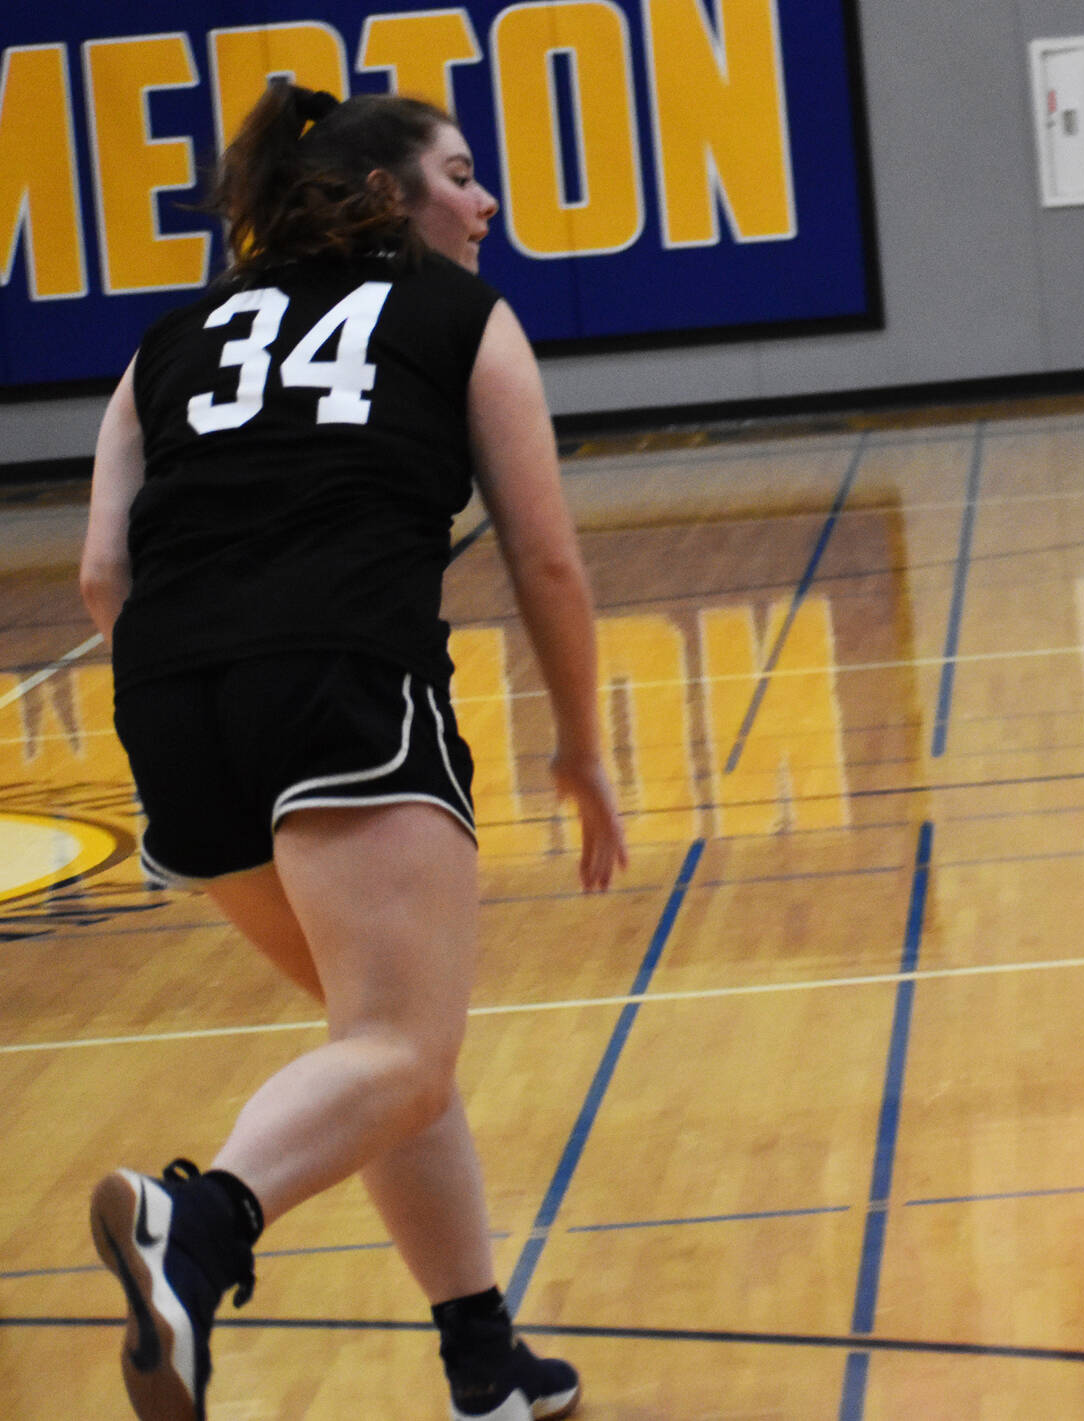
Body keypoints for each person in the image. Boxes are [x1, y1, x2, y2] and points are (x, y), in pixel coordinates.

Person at [78, 80, 628, 1421]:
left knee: (378, 1044)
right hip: (337, 683)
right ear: (384, 196)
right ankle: (195, 1223)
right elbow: (548, 559)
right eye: (457, 172)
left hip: (169, 704)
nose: (482, 199)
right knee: (399, 1047)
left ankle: (481, 1355)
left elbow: (103, 572)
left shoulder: (169, 337)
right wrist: (582, 748)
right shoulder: (460, 318)